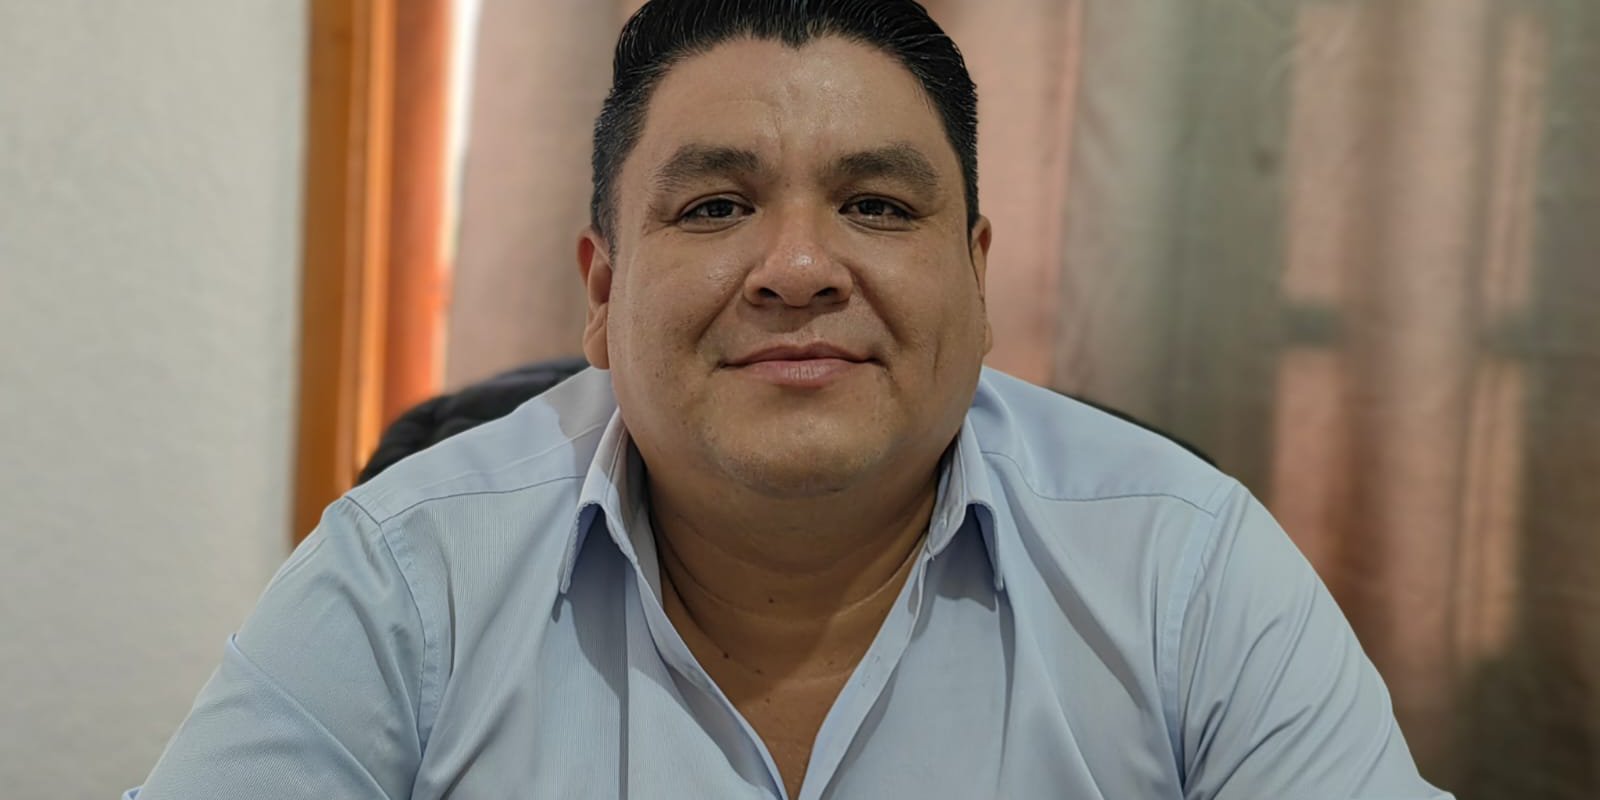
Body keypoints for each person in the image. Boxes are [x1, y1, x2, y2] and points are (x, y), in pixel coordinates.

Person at [127, 1, 1454, 797]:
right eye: (716, 207)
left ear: (977, 278)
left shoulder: (1186, 568)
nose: (801, 269)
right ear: (602, 293)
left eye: (876, 205)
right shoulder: (407, 575)